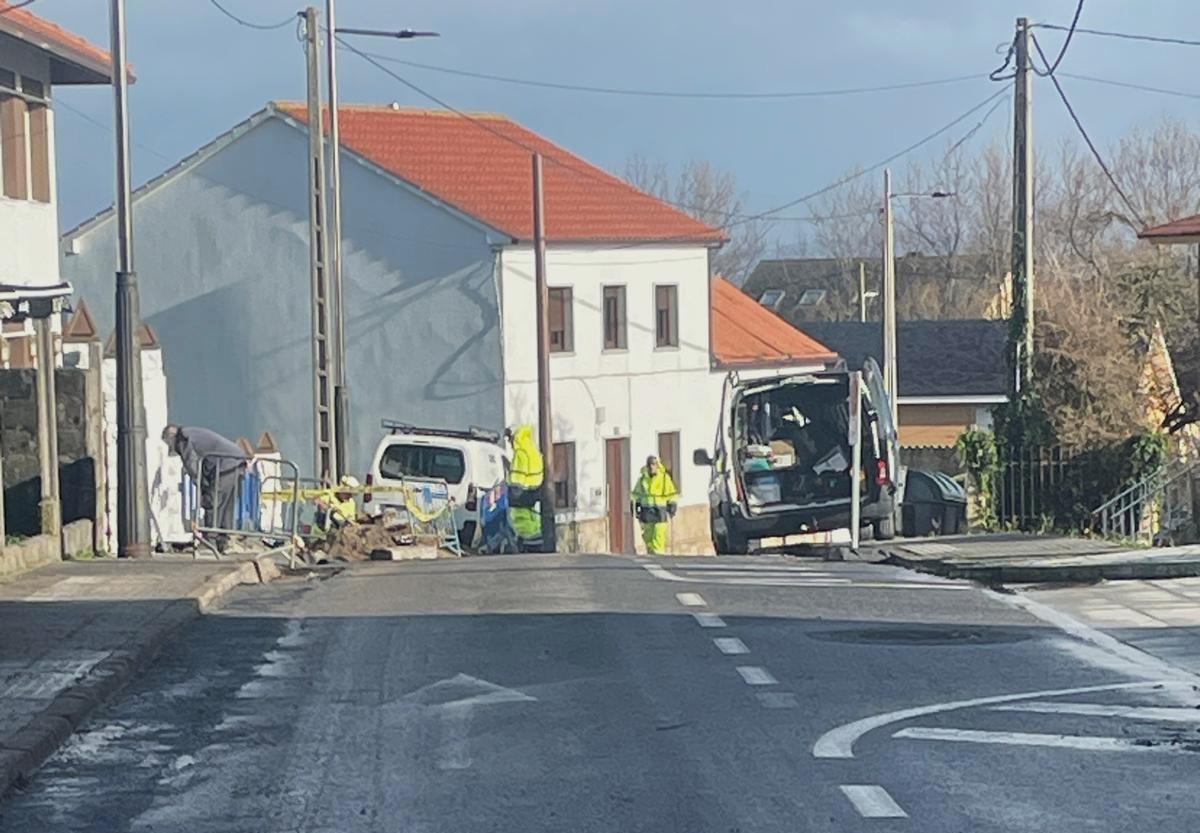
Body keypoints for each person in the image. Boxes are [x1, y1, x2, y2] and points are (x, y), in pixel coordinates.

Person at [162, 424, 249, 549]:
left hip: (225, 465)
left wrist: (201, 486)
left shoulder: (183, 439)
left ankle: (211, 542)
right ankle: (223, 542)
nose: (171, 447)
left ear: (171, 437)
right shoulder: (191, 432)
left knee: (212, 501)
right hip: (236, 462)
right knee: (225, 506)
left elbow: (191, 464)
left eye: (168, 443)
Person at [505, 424, 545, 551]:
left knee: (521, 518)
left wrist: (511, 490)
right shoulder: (532, 449)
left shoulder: (520, 453)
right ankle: (536, 540)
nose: (509, 442)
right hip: (534, 491)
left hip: (521, 494)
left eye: (509, 439)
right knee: (533, 518)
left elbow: (517, 477)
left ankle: (528, 543)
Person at [632, 455, 678, 555]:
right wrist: (636, 507)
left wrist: (672, 505)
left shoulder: (665, 478)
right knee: (647, 535)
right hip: (646, 510)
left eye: (653, 464)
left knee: (659, 534)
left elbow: (671, 493)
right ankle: (651, 552)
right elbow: (636, 495)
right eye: (649, 465)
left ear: (657, 465)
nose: (651, 467)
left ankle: (658, 555)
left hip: (660, 510)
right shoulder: (642, 479)